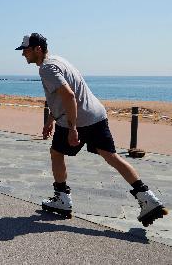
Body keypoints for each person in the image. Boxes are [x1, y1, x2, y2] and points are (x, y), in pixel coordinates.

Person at [16, 33, 168, 226]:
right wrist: (50, 119)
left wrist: (72, 128)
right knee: (112, 156)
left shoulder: (46, 68)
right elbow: (61, 96)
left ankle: (62, 198)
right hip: (96, 114)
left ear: (38, 49)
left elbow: (69, 96)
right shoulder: (59, 60)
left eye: (26, 50)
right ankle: (147, 198)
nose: (23, 55)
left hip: (77, 120)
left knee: (56, 153)